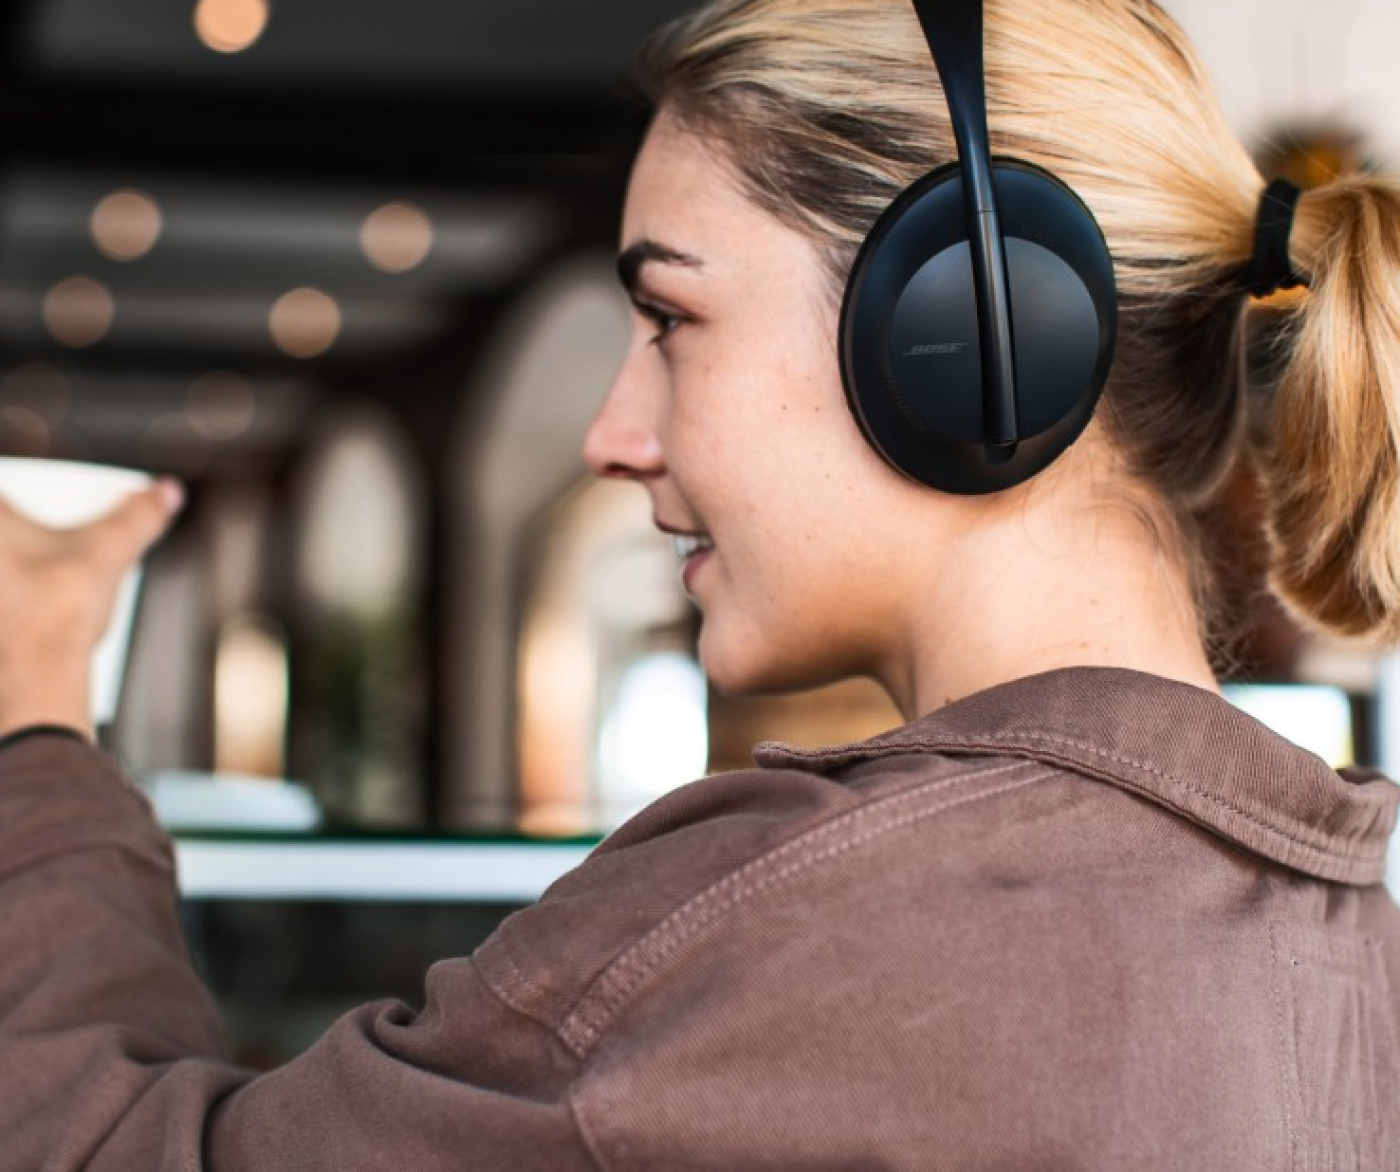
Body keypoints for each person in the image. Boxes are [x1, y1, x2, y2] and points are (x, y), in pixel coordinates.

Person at [1, 0, 1398, 1166]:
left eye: (672, 318)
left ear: (972, 327)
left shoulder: (787, 920)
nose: (613, 435)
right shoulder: (1351, 945)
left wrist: (36, 720)